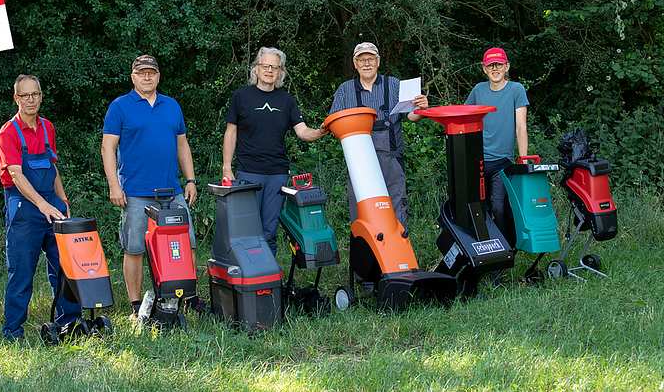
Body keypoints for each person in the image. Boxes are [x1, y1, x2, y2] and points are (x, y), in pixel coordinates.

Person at [101, 54, 199, 318]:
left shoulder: (171, 106)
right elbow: (108, 148)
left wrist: (190, 180)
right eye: (141, 73)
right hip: (135, 193)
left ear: (158, 76)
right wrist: (114, 185)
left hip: (172, 191)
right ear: (133, 76)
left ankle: (187, 296)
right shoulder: (120, 107)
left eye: (151, 73)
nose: (147, 77)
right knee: (134, 248)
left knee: (186, 244)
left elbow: (182, 144)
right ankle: (135, 304)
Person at [0, 74, 79, 341]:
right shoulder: (8, 132)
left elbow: (52, 167)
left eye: (35, 94)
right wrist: (42, 205)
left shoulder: (47, 127)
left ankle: (69, 324)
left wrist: (62, 201)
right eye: (25, 95)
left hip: (51, 203)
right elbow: (17, 175)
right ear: (16, 98)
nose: (31, 100)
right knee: (21, 272)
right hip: (23, 207)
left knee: (66, 267)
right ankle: (13, 331)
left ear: (41, 96)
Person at [222, 47, 327, 255]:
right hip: (248, 172)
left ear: (281, 72)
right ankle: (249, 280)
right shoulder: (241, 96)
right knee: (248, 230)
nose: (270, 70)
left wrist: (323, 130)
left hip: (277, 174)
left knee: (269, 231)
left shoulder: (286, 101)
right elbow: (230, 132)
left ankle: (269, 280)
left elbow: (303, 132)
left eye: (275, 67)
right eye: (266, 66)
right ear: (256, 69)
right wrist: (226, 167)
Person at [329, 42, 428, 231]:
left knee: (396, 209)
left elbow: (411, 116)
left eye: (371, 59)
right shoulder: (344, 90)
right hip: (358, 164)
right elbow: (333, 125)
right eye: (361, 59)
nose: (366, 63)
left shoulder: (394, 85)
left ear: (378, 61)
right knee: (361, 212)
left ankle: (398, 254)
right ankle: (364, 255)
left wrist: (421, 108)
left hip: (392, 160)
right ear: (355, 63)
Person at [464, 47, 529, 240]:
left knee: (499, 206)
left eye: (499, 64)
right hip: (478, 160)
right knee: (477, 207)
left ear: (506, 66)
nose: (495, 69)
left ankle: (506, 246)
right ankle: (483, 246)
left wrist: (524, 159)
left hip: (502, 160)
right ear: (484, 69)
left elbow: (521, 126)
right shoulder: (478, 90)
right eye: (490, 65)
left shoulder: (516, 89)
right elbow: (465, 117)